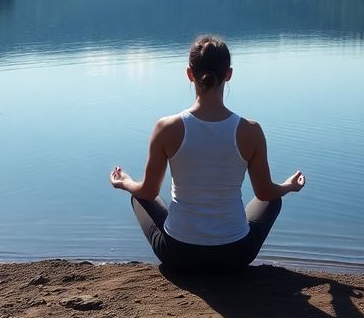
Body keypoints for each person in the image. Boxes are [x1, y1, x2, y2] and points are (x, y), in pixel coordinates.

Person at [110, 34, 306, 272]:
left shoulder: (167, 127)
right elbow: (264, 193)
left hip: (179, 255)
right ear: (229, 74)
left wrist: (126, 183)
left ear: (190, 74)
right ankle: (229, 231)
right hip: (235, 256)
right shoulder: (250, 131)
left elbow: (149, 191)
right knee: (274, 198)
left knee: (138, 195)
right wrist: (288, 186)